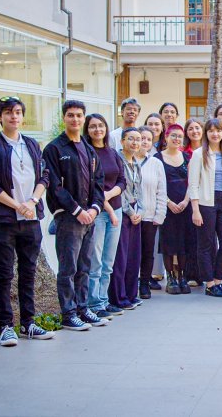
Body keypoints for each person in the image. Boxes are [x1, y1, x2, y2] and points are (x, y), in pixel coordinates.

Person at [0, 96, 55, 346]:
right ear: (0, 117)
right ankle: (5, 326)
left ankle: (29, 323)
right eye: (9, 112)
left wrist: (32, 202)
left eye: (18, 112)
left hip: (31, 218)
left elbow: (45, 175)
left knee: (29, 272)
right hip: (5, 219)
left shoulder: (32, 145)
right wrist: (16, 205)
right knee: (5, 273)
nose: (14, 116)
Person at [42, 100, 107, 330]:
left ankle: (82, 308)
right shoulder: (54, 149)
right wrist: (77, 210)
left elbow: (99, 183)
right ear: (64, 118)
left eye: (79, 115)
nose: (75, 119)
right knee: (68, 268)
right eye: (71, 115)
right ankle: (68, 313)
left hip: (90, 218)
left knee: (85, 267)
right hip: (69, 218)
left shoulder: (89, 149)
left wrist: (94, 209)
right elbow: (54, 187)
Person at [189, 118, 222, 298]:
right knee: (206, 244)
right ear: (206, 133)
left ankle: (218, 280)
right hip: (205, 203)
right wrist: (195, 209)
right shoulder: (198, 154)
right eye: (211, 130)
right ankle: (209, 284)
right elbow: (193, 184)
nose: (215, 134)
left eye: (218, 130)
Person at [84, 114, 126, 319]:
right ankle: (94, 303)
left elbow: (122, 180)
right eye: (92, 126)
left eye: (100, 126)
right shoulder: (87, 153)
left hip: (115, 209)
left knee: (108, 261)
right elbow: (92, 185)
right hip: (98, 212)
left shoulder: (112, 153)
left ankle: (104, 300)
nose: (97, 130)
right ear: (87, 130)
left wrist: (110, 195)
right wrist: (106, 204)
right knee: (96, 261)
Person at [109, 128, 144, 311]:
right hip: (122, 213)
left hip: (136, 215)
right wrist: (130, 212)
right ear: (122, 141)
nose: (135, 143)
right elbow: (119, 189)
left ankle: (131, 294)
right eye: (131, 139)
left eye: (138, 140)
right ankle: (118, 297)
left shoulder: (136, 163)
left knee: (133, 256)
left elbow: (139, 190)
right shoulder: (118, 160)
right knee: (120, 258)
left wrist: (141, 210)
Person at [158, 124, 192, 295]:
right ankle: (171, 277)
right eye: (173, 136)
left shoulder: (186, 157)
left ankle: (183, 276)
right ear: (166, 137)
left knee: (184, 242)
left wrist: (186, 201)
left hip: (185, 206)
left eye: (180, 136)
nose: (177, 139)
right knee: (168, 242)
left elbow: (192, 182)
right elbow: (157, 185)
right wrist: (168, 202)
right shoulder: (158, 158)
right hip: (166, 207)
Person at [135, 127, 168, 300]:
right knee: (132, 252)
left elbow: (161, 191)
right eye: (141, 139)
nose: (145, 142)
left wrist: (159, 215)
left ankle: (144, 284)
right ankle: (130, 284)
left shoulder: (156, 163)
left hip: (149, 216)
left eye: (148, 139)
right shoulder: (126, 161)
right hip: (130, 217)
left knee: (148, 252)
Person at [181, 118, 203, 286]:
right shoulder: (183, 153)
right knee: (190, 237)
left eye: (197, 128)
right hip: (187, 199)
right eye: (191, 129)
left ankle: (205, 273)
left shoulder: (209, 151)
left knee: (207, 238)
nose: (195, 131)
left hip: (207, 199)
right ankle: (191, 274)